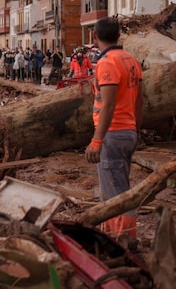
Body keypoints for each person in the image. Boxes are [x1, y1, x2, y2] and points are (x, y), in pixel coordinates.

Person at [84, 17, 143, 243]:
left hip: (112, 133)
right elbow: (140, 100)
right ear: (119, 35)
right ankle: (110, 235)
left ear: (95, 37)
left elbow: (108, 104)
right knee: (115, 186)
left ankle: (126, 239)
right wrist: (135, 130)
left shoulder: (108, 63)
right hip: (127, 131)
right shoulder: (131, 60)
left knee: (115, 192)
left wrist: (97, 140)